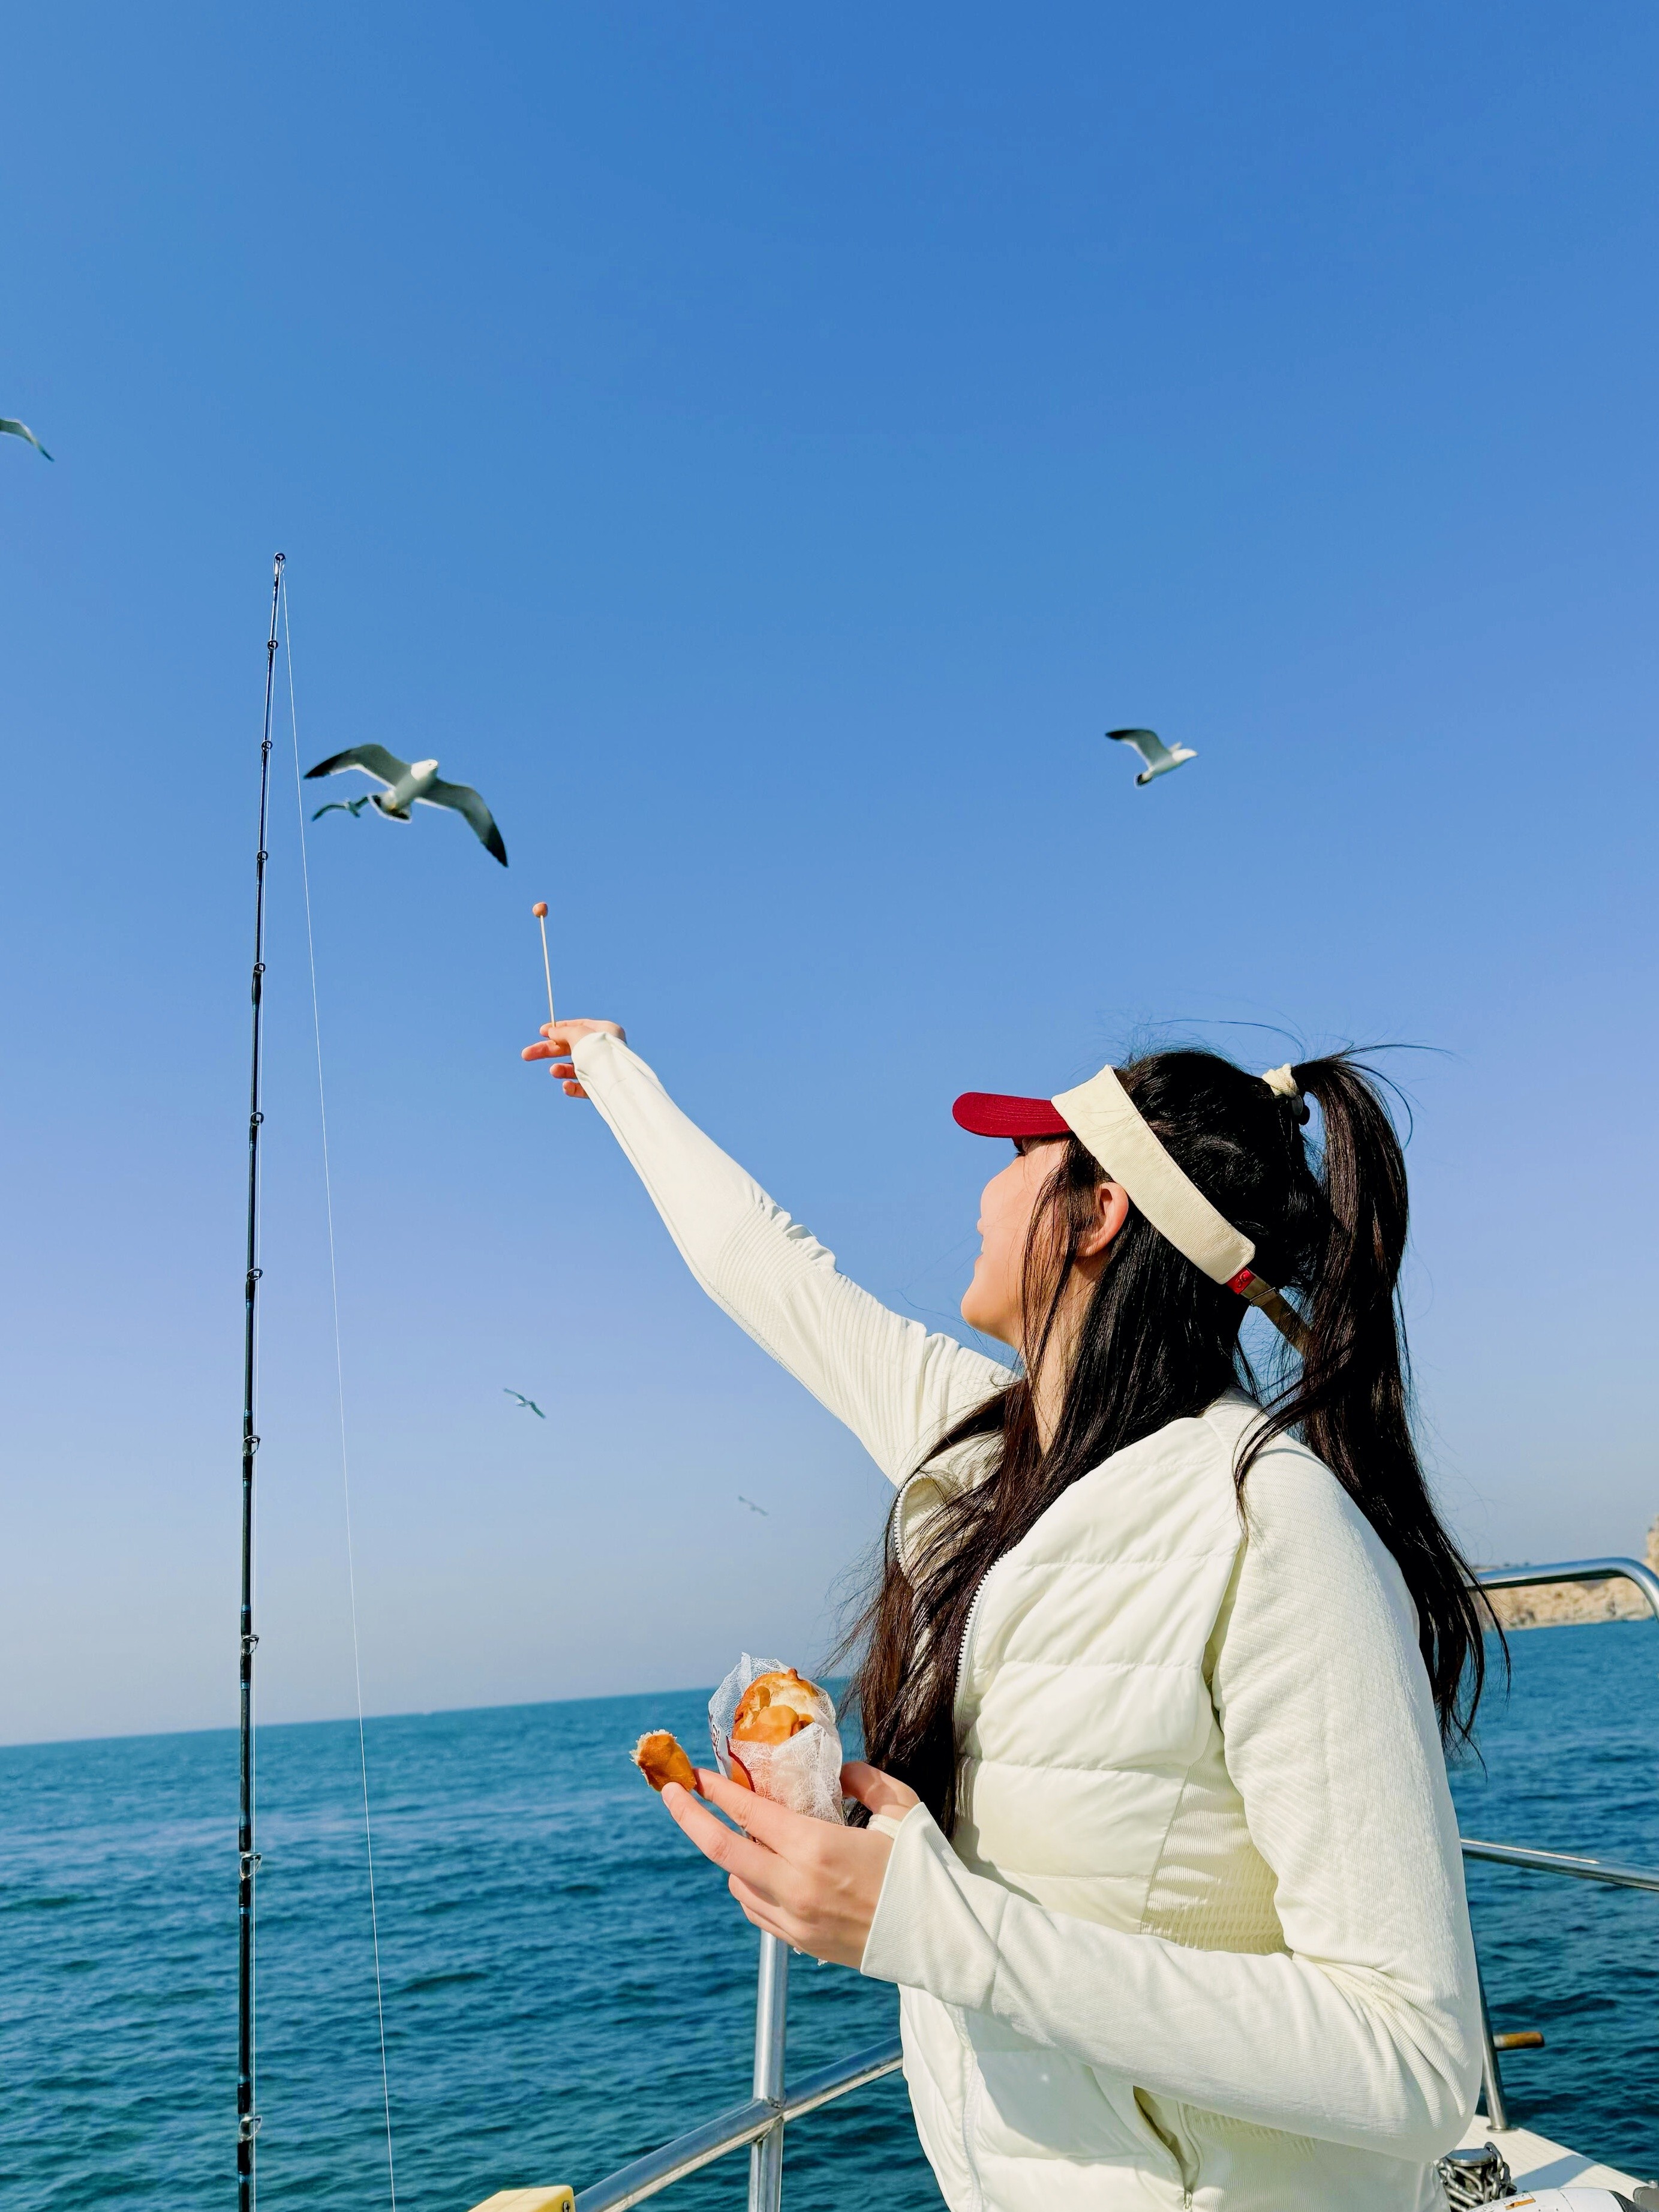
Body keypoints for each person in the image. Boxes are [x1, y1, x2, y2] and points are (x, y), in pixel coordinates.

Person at [522, 1017, 1488, 2212]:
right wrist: (613, 1072)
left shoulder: (1274, 1525)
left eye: (1022, 1150)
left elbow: (1414, 2062)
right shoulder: (981, 1447)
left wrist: (930, 1924)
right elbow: (766, 1270)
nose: (983, 1185)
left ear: (1097, 1214)